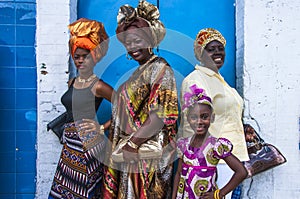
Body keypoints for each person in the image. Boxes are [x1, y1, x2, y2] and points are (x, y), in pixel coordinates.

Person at [102, 1, 178, 198]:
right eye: (128, 43)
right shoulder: (137, 74)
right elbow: (125, 111)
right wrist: (106, 126)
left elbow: (161, 115)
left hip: (147, 158)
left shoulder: (161, 69)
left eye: (137, 41)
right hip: (131, 154)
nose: (132, 47)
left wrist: (133, 143)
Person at [48, 18, 114, 199]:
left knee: (84, 192)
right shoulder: (72, 82)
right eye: (76, 56)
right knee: (63, 190)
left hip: (89, 146)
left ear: (94, 57)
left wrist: (102, 127)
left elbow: (127, 109)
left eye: (85, 56)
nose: (80, 60)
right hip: (70, 145)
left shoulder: (98, 86)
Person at [180, 28, 249, 198]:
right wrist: (196, 162)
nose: (217, 52)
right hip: (214, 162)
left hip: (234, 158)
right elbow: (193, 124)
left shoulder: (222, 82)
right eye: (211, 49)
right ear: (201, 54)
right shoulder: (196, 80)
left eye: (220, 48)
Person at [172, 84, 247, 199]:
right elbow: (178, 173)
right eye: (194, 117)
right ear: (188, 119)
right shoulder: (184, 144)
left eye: (204, 117)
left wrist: (219, 194)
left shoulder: (216, 146)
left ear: (212, 118)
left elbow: (241, 172)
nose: (199, 121)